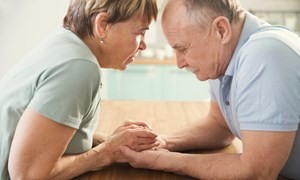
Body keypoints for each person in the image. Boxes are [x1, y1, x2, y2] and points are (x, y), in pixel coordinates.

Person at [121, 0, 300, 179]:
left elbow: (257, 171)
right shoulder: (225, 57)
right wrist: (164, 142)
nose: (179, 63)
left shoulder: (265, 54)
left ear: (221, 30)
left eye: (182, 48)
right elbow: (220, 125)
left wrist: (161, 160)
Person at [0, 0, 158, 179]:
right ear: (103, 25)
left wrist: (108, 141)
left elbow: (49, 134)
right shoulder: (79, 67)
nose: (143, 45)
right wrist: (107, 152)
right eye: (139, 33)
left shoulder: (65, 44)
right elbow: (28, 175)